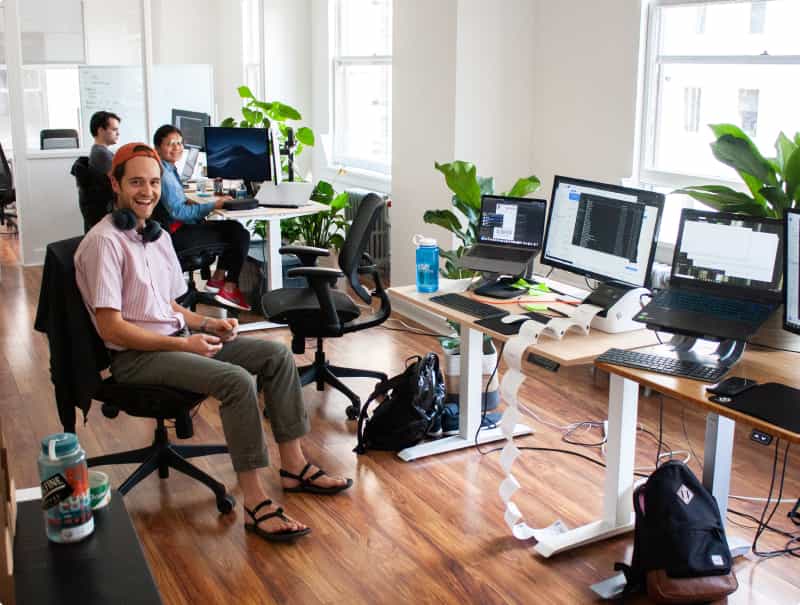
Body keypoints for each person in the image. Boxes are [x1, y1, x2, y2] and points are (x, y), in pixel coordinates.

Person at [74, 142, 352, 543]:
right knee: (236, 381)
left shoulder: (154, 236)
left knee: (275, 355)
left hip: (175, 339)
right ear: (114, 184)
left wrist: (207, 323)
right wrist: (184, 346)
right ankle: (255, 503)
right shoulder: (104, 243)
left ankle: (294, 467)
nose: (147, 192)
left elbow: (168, 305)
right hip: (137, 356)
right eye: (136, 183)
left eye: (153, 183)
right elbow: (111, 329)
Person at [153, 124, 252, 311]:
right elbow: (178, 212)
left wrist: (196, 204)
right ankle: (228, 287)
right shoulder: (164, 174)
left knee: (234, 228)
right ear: (158, 148)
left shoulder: (168, 168)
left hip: (173, 230)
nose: (177, 147)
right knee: (240, 234)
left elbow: (176, 204)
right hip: (176, 235)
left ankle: (218, 280)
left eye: (179, 143)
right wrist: (213, 205)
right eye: (170, 144)